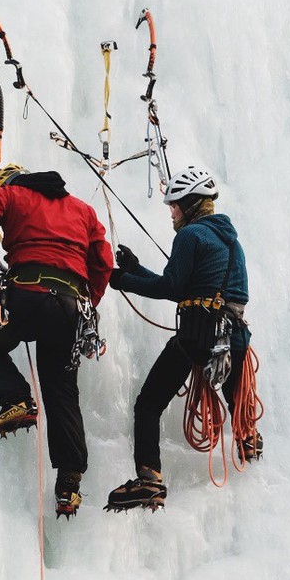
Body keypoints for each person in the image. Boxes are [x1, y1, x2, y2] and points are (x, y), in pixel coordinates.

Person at [0, 162, 114, 517]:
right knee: (61, 389)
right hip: (70, 308)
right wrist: (88, 301)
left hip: (27, 294)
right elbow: (103, 261)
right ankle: (70, 484)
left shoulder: (13, 194)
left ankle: (17, 400)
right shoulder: (82, 209)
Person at [105, 163, 257, 511]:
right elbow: (186, 287)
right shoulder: (230, 241)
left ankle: (149, 479)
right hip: (234, 340)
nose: (171, 212)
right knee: (236, 395)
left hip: (197, 336)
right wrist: (136, 269)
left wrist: (120, 279)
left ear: (189, 204)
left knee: (148, 403)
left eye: (174, 205)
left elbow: (171, 287)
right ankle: (249, 440)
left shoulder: (189, 236)